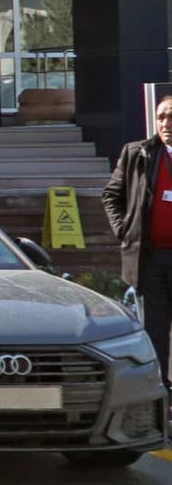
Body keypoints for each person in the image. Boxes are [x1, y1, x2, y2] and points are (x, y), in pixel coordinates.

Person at [100, 95, 172, 386]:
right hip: (150, 259)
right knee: (153, 330)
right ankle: (159, 392)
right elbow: (111, 195)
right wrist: (125, 230)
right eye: (161, 117)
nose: (166, 123)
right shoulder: (138, 153)